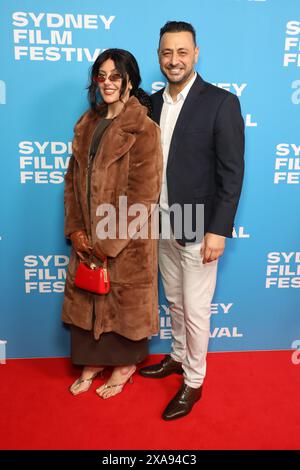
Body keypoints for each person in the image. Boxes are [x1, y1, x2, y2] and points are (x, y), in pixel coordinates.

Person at [139, 21, 245, 420]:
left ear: (196, 53)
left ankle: (194, 382)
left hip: (201, 226)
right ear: (158, 55)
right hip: (162, 222)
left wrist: (219, 229)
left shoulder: (221, 102)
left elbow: (231, 172)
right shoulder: (150, 104)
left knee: (197, 308)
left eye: (182, 52)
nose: (174, 60)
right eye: (167, 52)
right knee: (175, 302)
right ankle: (178, 357)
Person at [61, 49, 162, 399]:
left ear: (129, 81)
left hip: (126, 241)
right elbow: (72, 184)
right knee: (89, 299)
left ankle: (124, 365)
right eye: (101, 76)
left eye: (115, 76)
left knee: (122, 307)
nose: (107, 83)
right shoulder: (86, 123)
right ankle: (93, 362)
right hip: (86, 236)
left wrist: (106, 243)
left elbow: (143, 196)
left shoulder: (144, 129)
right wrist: (76, 231)